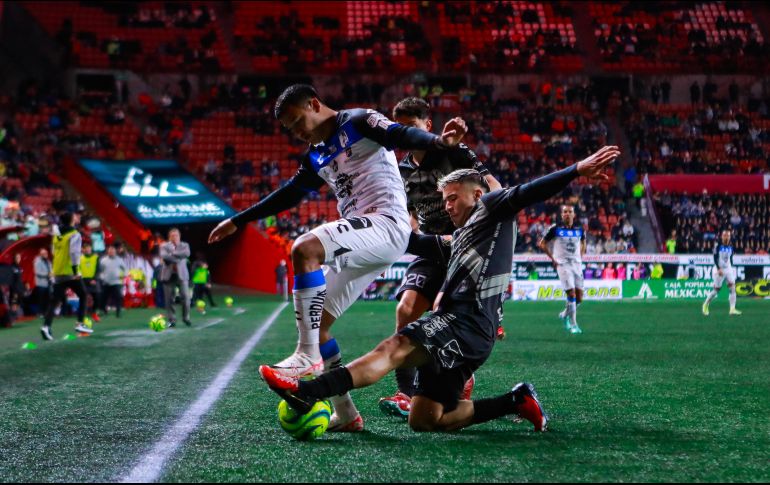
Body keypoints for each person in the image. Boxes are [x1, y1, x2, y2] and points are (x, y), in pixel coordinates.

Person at [260, 146, 621, 434]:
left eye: (453, 198)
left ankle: (307, 392)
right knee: (426, 419)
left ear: (476, 193)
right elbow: (413, 242)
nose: (447, 206)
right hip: (470, 332)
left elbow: (529, 191)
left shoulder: (491, 208)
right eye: (444, 199)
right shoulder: (460, 235)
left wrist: (576, 170)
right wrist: (360, 230)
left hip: (463, 322)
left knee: (395, 347)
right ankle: (515, 400)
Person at [208, 84, 469, 432]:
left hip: (387, 224)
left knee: (304, 248)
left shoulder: (358, 121)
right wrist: (238, 220)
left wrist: (439, 142)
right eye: (289, 129)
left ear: (314, 104)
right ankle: (345, 413)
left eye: (297, 121)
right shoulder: (316, 154)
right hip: (362, 234)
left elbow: (400, 133)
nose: (296, 132)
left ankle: (306, 356)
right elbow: (290, 193)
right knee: (321, 325)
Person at [381, 97, 503, 418]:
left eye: (411, 126)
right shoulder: (400, 169)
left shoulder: (454, 153)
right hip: (431, 245)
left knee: (443, 312)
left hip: (462, 247)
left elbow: (493, 187)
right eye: (399, 128)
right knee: (405, 309)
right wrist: (408, 237)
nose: (404, 133)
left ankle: (459, 373)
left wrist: (480, 226)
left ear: (428, 126)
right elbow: (408, 214)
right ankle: (405, 393)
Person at [41, 212, 92, 340]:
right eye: (74, 217)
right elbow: (74, 253)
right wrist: (76, 271)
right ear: (71, 220)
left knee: (55, 301)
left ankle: (46, 327)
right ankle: (80, 323)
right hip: (70, 272)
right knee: (84, 295)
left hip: (57, 272)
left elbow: (54, 251)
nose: (76, 218)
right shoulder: (75, 234)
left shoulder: (56, 235)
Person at [538, 205, 586, 334]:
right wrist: (553, 259)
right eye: (565, 212)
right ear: (561, 214)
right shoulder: (555, 228)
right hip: (562, 264)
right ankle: (573, 324)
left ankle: (564, 314)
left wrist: (581, 256)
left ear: (574, 215)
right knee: (571, 294)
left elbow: (583, 242)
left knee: (580, 298)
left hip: (576, 264)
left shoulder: (580, 229)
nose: (567, 214)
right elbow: (542, 243)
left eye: (570, 212)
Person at [703, 229, 742, 316]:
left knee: (732, 288)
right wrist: (718, 268)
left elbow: (730, 258)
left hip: (728, 269)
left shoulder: (731, 246)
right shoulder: (717, 245)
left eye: (728, 235)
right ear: (722, 236)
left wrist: (731, 267)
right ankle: (705, 305)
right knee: (716, 290)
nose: (726, 237)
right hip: (719, 269)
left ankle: (732, 309)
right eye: (725, 235)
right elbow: (714, 257)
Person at [160, 228, 191, 327]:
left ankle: (186, 318)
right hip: (168, 275)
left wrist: (172, 254)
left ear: (179, 236)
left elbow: (187, 254)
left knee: (186, 297)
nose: (174, 237)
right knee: (169, 299)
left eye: (176, 235)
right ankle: (171, 320)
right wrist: (178, 257)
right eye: (172, 235)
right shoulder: (164, 245)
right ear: (169, 237)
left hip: (182, 275)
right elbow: (164, 256)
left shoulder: (185, 245)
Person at [99, 244, 126, 317]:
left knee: (118, 297)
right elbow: (100, 270)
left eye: (112, 250)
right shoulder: (103, 260)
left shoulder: (119, 260)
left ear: (115, 251)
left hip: (116, 282)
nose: (111, 251)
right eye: (110, 250)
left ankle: (118, 311)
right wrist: (102, 277)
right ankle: (104, 311)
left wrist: (123, 275)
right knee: (103, 298)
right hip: (106, 282)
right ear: (108, 251)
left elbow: (125, 269)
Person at [80, 242, 101, 322]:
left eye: (89, 248)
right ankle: (83, 317)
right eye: (86, 248)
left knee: (97, 298)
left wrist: (94, 279)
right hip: (84, 281)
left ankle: (94, 313)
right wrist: (88, 280)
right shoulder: (80, 259)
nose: (88, 249)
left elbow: (98, 269)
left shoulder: (96, 257)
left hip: (94, 281)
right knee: (84, 299)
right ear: (83, 250)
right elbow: (79, 271)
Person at [33, 248, 53, 316]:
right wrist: (47, 275)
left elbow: (51, 270)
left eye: (46, 253)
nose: (45, 255)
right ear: (40, 254)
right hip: (41, 283)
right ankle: (40, 312)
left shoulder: (48, 261)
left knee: (47, 298)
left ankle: (46, 312)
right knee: (41, 299)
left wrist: (51, 274)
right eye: (43, 253)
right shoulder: (37, 261)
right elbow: (37, 272)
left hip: (48, 283)